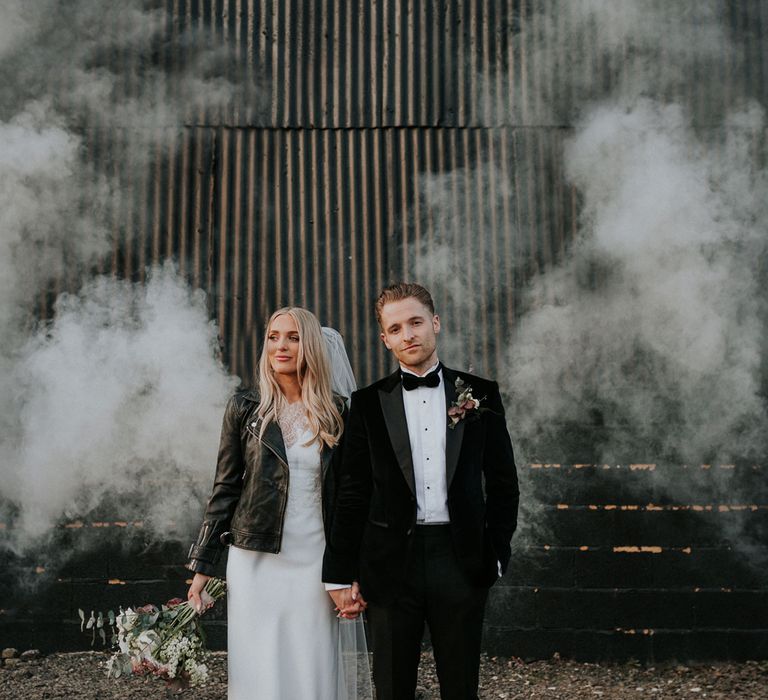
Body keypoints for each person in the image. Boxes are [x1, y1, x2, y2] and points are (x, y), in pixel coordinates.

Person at [323, 282, 519, 700]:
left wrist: (497, 554)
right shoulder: (367, 404)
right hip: (390, 565)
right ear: (385, 339)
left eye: (415, 322)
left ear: (435, 323)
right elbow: (350, 493)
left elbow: (503, 484)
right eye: (396, 329)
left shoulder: (480, 395)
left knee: (461, 685)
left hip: (461, 558)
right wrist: (339, 572)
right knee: (392, 687)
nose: (407, 335)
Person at [185, 307, 365, 699]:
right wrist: (202, 567)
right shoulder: (244, 407)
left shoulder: (339, 411)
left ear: (312, 345)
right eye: (273, 336)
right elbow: (225, 489)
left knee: (312, 662)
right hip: (255, 558)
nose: (280, 345)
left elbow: (352, 496)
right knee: (259, 666)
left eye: (294, 337)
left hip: (316, 560)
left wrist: (349, 569)